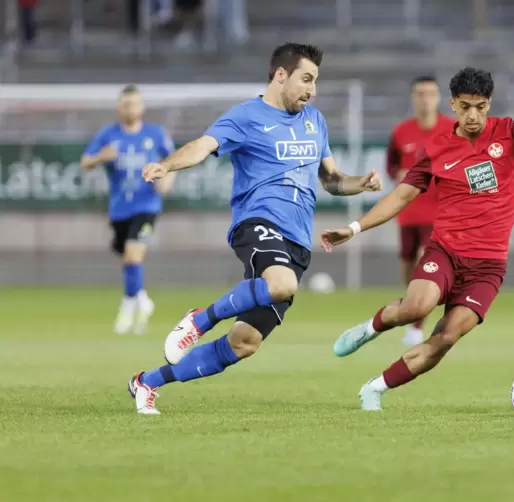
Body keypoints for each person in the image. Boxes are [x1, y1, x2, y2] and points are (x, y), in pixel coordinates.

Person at [128, 43, 382, 415]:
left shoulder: (316, 121)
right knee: (282, 284)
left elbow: (331, 180)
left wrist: (361, 183)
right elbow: (203, 146)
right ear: (281, 74)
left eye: (316, 81)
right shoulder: (246, 116)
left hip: (297, 242)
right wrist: (167, 165)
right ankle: (200, 320)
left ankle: (146, 382)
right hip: (258, 222)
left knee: (243, 342)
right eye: (306, 79)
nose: (312, 89)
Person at [321, 68, 514, 411]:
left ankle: (375, 388)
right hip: (446, 251)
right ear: (453, 105)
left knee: (446, 337)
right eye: (465, 106)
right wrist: (353, 228)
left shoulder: (510, 132)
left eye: (480, 106)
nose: (473, 115)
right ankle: (371, 327)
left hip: (488, 267)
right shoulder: (436, 149)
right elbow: (400, 197)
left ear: (488, 104)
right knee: (417, 307)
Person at [80, 85, 176, 336]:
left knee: (133, 257)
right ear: (118, 107)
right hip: (119, 209)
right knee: (127, 257)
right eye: (125, 104)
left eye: (134, 103)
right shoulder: (108, 135)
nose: (130, 108)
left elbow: (174, 160)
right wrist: (101, 157)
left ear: (142, 107)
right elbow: (85, 162)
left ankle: (127, 308)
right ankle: (142, 299)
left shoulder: (155, 134)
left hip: (147, 206)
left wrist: (167, 179)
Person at [385, 76, 455, 346]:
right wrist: (398, 174)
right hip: (408, 214)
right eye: (420, 93)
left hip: (439, 213)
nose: (425, 98)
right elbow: (391, 165)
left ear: (439, 98)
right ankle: (414, 306)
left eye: (430, 93)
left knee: (422, 260)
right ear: (413, 97)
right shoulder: (401, 132)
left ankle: (416, 325)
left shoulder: (452, 129)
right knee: (407, 265)